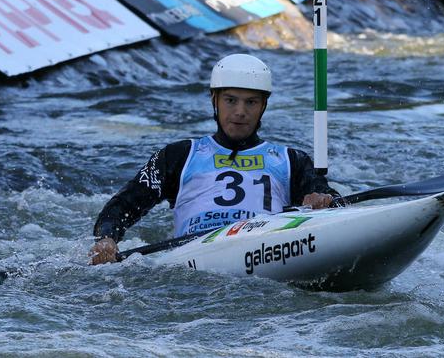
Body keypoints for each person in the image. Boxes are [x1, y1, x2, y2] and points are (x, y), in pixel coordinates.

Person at [89, 53, 339, 265]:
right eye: (231, 100)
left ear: (263, 105)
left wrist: (323, 199)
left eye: (251, 102)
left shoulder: (291, 160)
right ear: (214, 100)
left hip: (266, 251)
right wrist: (106, 239)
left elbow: (331, 200)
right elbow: (122, 206)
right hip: (197, 256)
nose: (240, 112)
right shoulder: (179, 155)